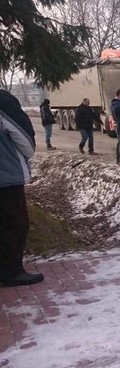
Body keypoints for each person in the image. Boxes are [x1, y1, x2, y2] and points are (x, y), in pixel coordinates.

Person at [0, 90, 44, 287]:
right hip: (5, 176)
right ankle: (12, 272)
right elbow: (25, 141)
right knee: (14, 224)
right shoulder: (3, 101)